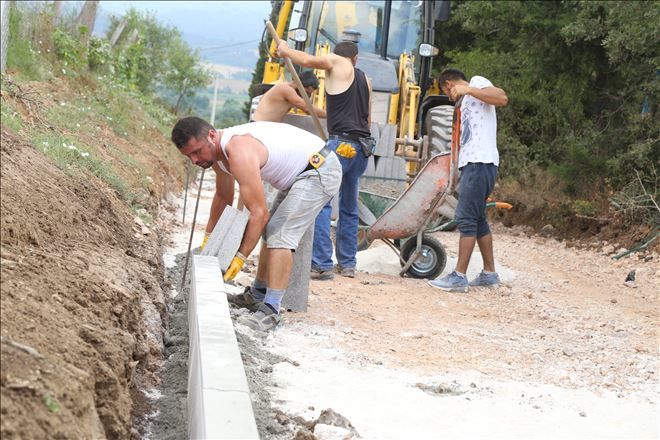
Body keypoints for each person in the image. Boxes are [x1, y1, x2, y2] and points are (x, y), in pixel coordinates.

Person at [171, 117, 342, 331]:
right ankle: (258, 294)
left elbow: (259, 214)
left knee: (280, 234)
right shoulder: (216, 155)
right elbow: (223, 196)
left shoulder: (238, 151)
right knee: (270, 233)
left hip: (320, 169)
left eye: (196, 152)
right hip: (300, 173)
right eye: (189, 156)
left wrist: (240, 257)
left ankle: (271, 310)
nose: (194, 160)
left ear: (212, 136)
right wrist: (209, 238)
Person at [276, 39, 372, 280]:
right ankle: (348, 264)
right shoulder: (366, 80)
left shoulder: (337, 62)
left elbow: (309, 61)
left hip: (340, 146)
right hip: (361, 148)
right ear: (357, 58)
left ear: (341, 57)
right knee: (349, 208)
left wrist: (286, 51)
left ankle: (321, 264)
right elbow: (367, 119)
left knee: (320, 203)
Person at [429, 68, 508, 292]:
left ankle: (459, 276)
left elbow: (502, 97)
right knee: (478, 219)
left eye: (448, 93)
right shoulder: (465, 102)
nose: (451, 97)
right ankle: (489, 274)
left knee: (464, 218)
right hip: (475, 165)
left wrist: (468, 89)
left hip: (480, 163)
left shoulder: (477, 82)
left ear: (448, 84)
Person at [251, 70, 326, 122]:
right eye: (306, 93)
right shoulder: (286, 89)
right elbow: (307, 108)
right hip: (259, 126)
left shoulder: (286, 90)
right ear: (299, 85)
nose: (307, 97)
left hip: (267, 127)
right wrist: (331, 116)